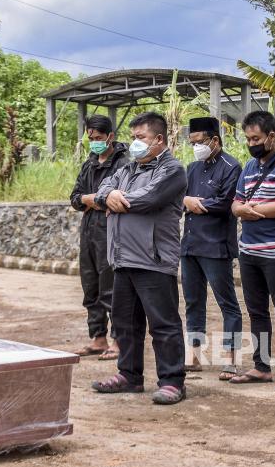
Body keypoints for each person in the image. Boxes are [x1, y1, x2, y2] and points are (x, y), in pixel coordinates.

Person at [91, 112, 189, 405]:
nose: (134, 143)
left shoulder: (172, 169)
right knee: (124, 322)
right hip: (122, 259)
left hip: (153, 259)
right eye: (132, 137)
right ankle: (129, 376)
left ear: (158, 139)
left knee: (163, 324)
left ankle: (173, 381)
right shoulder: (128, 169)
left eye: (140, 138)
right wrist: (107, 198)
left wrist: (116, 201)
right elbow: (103, 190)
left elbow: (149, 198)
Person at [229, 111, 275, 390]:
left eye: (256, 138)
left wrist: (250, 210)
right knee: (256, 311)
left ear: (272, 136)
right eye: (248, 139)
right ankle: (261, 366)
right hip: (248, 251)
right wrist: (244, 210)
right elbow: (236, 205)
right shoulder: (248, 167)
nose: (251, 143)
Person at [180, 116, 243, 380]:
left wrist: (195, 203)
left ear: (215, 140)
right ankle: (193, 356)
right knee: (193, 302)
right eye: (192, 142)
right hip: (190, 244)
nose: (196, 147)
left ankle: (231, 359)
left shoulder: (231, 166)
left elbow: (227, 201)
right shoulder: (191, 168)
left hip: (216, 245)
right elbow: (178, 196)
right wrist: (185, 200)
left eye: (200, 142)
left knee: (227, 302)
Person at [69, 115, 130, 361]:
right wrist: (91, 200)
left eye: (99, 138)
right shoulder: (88, 165)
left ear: (110, 137)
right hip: (88, 235)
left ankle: (118, 340)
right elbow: (75, 198)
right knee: (90, 288)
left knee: (112, 289)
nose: (94, 143)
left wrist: (92, 199)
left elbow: (120, 199)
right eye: (91, 139)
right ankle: (98, 338)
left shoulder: (124, 164)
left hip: (112, 236)